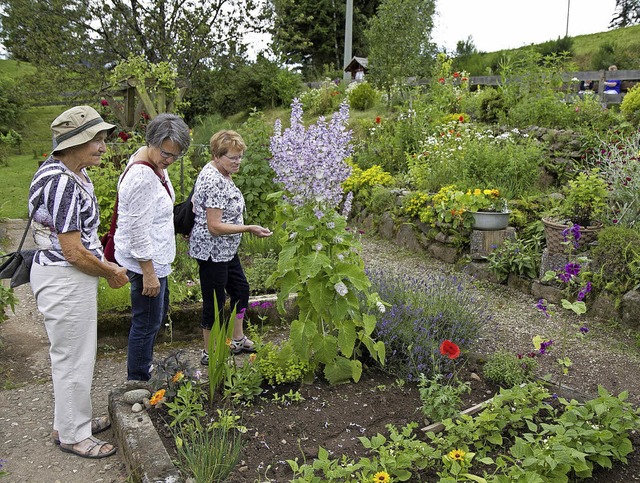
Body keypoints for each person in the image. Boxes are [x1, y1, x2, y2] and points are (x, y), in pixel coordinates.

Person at [29, 106, 130, 459]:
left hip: (67, 278)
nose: (104, 147)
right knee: (74, 359)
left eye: (103, 139)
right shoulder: (61, 182)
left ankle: (69, 422)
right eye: (97, 139)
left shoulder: (71, 173)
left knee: (73, 357)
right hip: (64, 278)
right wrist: (110, 271)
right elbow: (72, 251)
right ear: (73, 142)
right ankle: (74, 436)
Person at [113, 113, 191, 382]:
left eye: (175, 156)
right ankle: (137, 380)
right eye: (166, 153)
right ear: (152, 141)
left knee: (152, 320)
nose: (169, 160)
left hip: (155, 259)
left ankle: (143, 368)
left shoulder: (151, 160)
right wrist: (149, 272)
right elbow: (137, 230)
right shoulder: (143, 177)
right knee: (146, 324)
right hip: (145, 264)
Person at [189, 130, 272, 365]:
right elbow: (214, 226)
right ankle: (209, 351)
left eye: (240, 157)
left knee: (240, 290)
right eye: (232, 158)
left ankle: (237, 338)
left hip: (226, 250)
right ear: (217, 155)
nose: (238, 162)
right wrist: (248, 228)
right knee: (213, 302)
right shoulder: (213, 179)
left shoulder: (223, 172)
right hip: (212, 252)